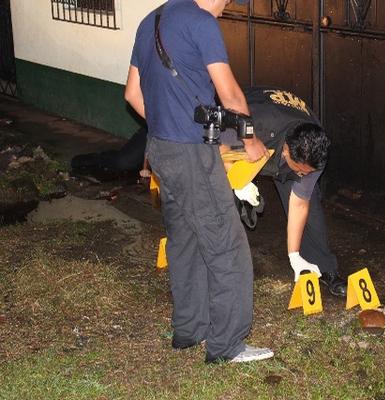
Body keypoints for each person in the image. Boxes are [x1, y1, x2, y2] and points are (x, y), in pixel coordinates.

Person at [124, 0, 273, 363]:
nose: (226, 8)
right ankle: (227, 346)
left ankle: (190, 329)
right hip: (191, 155)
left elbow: (132, 94)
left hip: (160, 149)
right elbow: (230, 94)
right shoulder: (201, 23)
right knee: (227, 245)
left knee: (185, 240)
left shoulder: (150, 20)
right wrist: (250, 140)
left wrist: (168, 126)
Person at [221, 87, 347, 297]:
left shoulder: (316, 152)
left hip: (283, 141)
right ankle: (221, 267)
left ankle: (324, 267)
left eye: (307, 172)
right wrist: (238, 182)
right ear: (286, 150)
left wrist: (293, 255)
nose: (303, 175)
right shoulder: (257, 123)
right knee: (221, 197)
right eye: (300, 170)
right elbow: (221, 148)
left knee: (311, 208)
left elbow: (299, 203)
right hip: (247, 137)